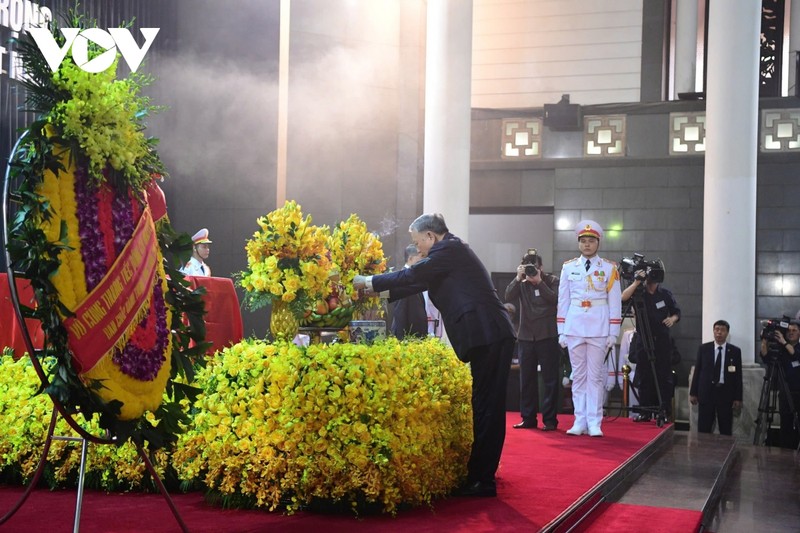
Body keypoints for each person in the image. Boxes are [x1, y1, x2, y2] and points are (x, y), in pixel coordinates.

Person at [353, 213, 515, 498]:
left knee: (487, 407)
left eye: (418, 243)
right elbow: (414, 285)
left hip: (489, 335)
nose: (418, 250)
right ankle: (478, 476)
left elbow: (412, 274)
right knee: (483, 405)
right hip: (487, 336)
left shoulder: (449, 249)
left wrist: (368, 281)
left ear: (430, 236)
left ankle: (483, 481)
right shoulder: (448, 252)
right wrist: (373, 295)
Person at [557, 220, 622, 438]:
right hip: (574, 326)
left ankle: (595, 422)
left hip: (599, 327)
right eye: (583, 241)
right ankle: (580, 420)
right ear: (578, 244)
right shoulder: (568, 267)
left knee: (595, 377)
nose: (587, 245)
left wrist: (614, 332)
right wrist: (561, 330)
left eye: (591, 241)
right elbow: (563, 301)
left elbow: (615, 302)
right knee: (578, 376)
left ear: (598, 243)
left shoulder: (609, 268)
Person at [505, 249, 561, 431]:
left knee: (550, 380)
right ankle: (528, 418)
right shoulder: (521, 283)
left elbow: (555, 299)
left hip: (547, 335)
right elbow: (507, 296)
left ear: (541, 267)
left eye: (534, 267)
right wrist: (517, 277)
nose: (531, 271)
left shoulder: (552, 280)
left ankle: (550, 420)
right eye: (528, 267)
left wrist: (539, 283)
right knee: (526, 379)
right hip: (526, 336)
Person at [621, 271, 680, 422]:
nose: (651, 282)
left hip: (661, 339)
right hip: (643, 338)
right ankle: (645, 411)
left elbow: (676, 312)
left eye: (654, 279)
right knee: (644, 375)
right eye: (649, 278)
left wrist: (672, 319)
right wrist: (636, 282)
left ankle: (664, 411)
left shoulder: (665, 294)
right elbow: (622, 298)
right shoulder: (638, 293)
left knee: (664, 376)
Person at [689, 320, 743, 436]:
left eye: (722, 330)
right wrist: (693, 392)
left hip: (725, 393)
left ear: (727, 333)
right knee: (704, 427)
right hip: (707, 393)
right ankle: (703, 451)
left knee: (725, 428)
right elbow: (697, 371)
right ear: (713, 331)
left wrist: (738, 397)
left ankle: (725, 452)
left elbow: (738, 376)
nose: (719, 333)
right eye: (717, 329)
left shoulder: (735, 351)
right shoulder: (704, 349)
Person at [759, 320, 800, 449]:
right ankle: (785, 452)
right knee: (785, 424)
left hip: (798, 391)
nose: (791, 333)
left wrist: (784, 342)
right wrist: (764, 341)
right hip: (784, 391)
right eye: (789, 331)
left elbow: (794, 354)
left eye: (794, 331)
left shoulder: (794, 347)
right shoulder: (780, 349)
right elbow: (766, 357)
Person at [389, 244, 428, 340]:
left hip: (415, 338)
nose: (423, 261)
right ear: (410, 259)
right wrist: (402, 340)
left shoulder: (414, 278)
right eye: (421, 257)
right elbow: (400, 312)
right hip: (407, 339)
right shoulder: (403, 280)